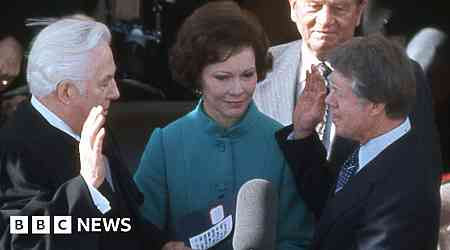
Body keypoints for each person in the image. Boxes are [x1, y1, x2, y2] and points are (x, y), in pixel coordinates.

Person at [134, 2, 313, 250]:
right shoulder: (166, 143)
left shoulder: (282, 143)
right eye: (222, 77)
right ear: (197, 76)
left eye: (248, 75)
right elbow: (138, 232)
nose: (238, 90)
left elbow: (299, 240)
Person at [0, 17, 178, 250]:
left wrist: (159, 245)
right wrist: (86, 187)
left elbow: (120, 220)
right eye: (104, 83)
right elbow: (21, 239)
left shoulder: (90, 121)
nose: (115, 92)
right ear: (66, 92)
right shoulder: (13, 152)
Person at [276, 34, 440, 249]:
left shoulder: (404, 189)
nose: (327, 100)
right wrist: (303, 133)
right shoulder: (376, 143)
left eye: (337, 92)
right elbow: (337, 212)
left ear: (375, 105)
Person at [253, 0, 442, 171]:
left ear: (359, 11)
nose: (325, 20)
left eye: (339, 8)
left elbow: (420, 164)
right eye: (314, 6)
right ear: (293, 8)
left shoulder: (399, 72)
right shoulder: (255, 69)